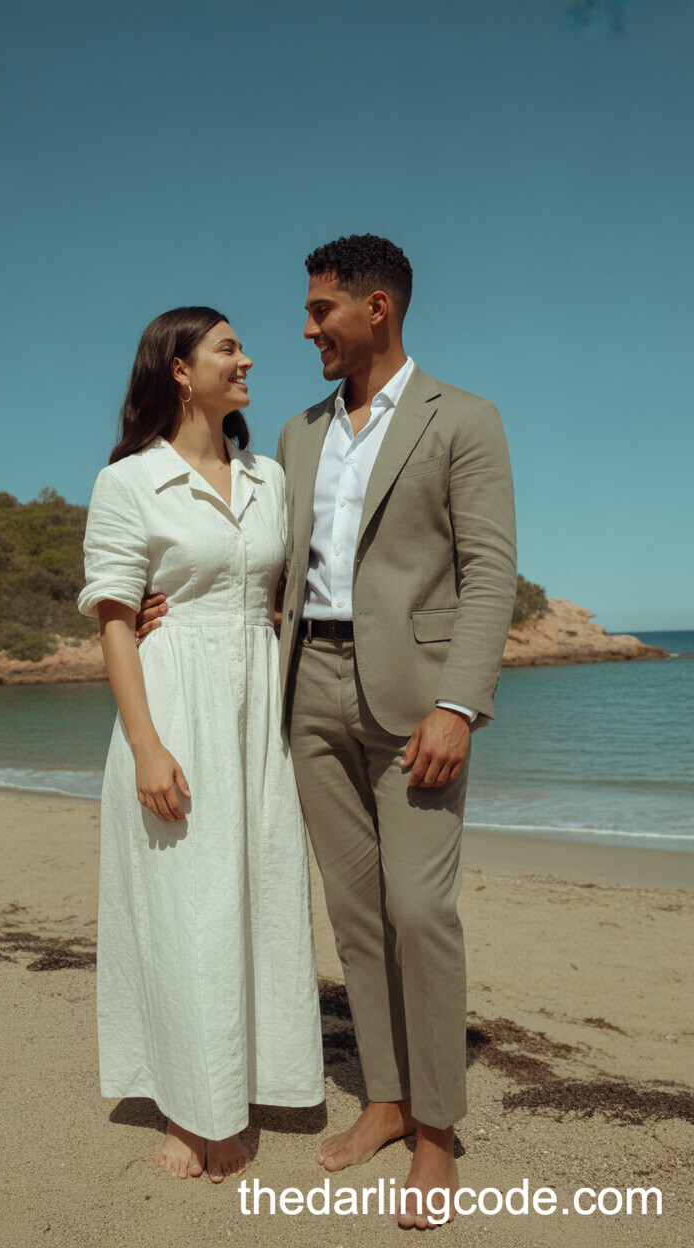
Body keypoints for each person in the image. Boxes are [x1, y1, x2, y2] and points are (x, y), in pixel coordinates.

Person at [138, 237, 516, 1228]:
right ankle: (386, 1100)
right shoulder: (295, 438)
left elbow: (489, 576)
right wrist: (157, 605)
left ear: (376, 309)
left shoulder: (464, 420)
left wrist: (458, 704)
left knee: (419, 912)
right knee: (353, 917)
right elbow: (241, 549)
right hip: (306, 691)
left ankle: (436, 1132)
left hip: (418, 701)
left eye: (320, 312)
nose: (304, 329)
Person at [78, 307, 324, 1185]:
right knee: (184, 907)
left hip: (260, 707)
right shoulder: (129, 483)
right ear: (180, 371)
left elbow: (284, 593)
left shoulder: (267, 476)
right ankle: (192, 1110)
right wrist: (145, 744)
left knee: (254, 890)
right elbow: (115, 619)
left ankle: (243, 1087)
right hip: (174, 700)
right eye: (228, 346)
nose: (248, 356)